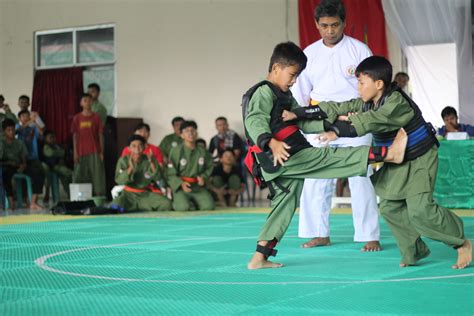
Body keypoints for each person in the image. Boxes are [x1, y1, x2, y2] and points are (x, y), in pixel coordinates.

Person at [288, 55, 471, 270]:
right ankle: (414, 249)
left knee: (421, 210)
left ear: (378, 84)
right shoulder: (368, 102)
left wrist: (335, 130)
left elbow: (365, 123)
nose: (358, 87)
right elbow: (337, 107)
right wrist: (298, 113)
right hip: (398, 160)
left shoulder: (395, 103)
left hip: (421, 157)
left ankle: (462, 243)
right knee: (389, 207)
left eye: (361, 82)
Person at [244, 42, 408, 270]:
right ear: (276, 68)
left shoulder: (283, 94)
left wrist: (332, 122)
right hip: (285, 155)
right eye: (291, 75)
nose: (293, 81)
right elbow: (254, 120)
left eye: (297, 76)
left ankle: (259, 257)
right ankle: (388, 154)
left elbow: (301, 121)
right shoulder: (263, 91)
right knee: (330, 158)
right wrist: (270, 142)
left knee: (284, 204)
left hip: (286, 155)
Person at [291, 0, 380, 251]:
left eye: (335, 25)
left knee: (361, 176)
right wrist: (304, 123)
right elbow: (300, 94)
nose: (330, 31)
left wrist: (361, 116)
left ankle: (368, 234)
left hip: (354, 120)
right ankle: (318, 233)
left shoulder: (360, 50)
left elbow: (371, 88)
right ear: (317, 25)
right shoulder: (308, 54)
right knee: (316, 177)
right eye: (324, 26)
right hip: (319, 120)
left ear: (344, 23)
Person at [112, 135, 172, 212]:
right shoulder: (123, 160)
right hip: (128, 195)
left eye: (140, 146)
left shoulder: (149, 159)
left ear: (144, 147)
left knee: (167, 204)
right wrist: (130, 168)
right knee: (115, 205)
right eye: (133, 146)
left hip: (145, 194)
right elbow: (119, 180)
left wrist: (152, 163)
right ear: (129, 148)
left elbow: (159, 179)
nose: (137, 149)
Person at [166, 120, 215, 211]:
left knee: (209, 207)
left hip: (197, 186)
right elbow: (170, 173)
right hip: (182, 186)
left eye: (193, 130)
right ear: (181, 135)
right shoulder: (176, 151)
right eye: (187, 131)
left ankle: (194, 202)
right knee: (182, 208)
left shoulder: (203, 151)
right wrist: (180, 184)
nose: (190, 133)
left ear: (197, 133)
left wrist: (203, 177)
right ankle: (185, 201)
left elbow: (209, 167)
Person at [1, 118, 45, 210]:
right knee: (5, 175)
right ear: (4, 131)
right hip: (7, 165)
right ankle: (11, 200)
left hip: (19, 165)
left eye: (13, 129)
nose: (11, 132)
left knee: (38, 172)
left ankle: (33, 202)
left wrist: (23, 164)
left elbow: (24, 156)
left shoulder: (19, 142)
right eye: (8, 130)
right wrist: (9, 163)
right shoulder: (1, 143)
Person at [71, 93, 106, 196]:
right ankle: (80, 197)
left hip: (95, 150)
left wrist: (101, 151)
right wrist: (75, 153)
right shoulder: (77, 118)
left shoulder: (96, 117)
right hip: (81, 151)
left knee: (97, 175)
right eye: (85, 100)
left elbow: (100, 135)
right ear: (81, 103)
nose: (87, 102)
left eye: (89, 100)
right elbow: (75, 136)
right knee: (79, 175)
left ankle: (98, 197)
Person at [16, 110, 46, 210]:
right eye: (23, 116)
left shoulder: (32, 127)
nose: (25, 117)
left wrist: (36, 120)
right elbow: (19, 130)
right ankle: (29, 201)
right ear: (19, 119)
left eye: (27, 116)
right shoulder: (17, 127)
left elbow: (42, 131)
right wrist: (30, 121)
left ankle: (33, 202)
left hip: (34, 159)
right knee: (35, 174)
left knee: (41, 173)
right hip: (22, 160)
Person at [42, 130, 73, 196]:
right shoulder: (46, 147)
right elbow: (51, 153)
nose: (52, 139)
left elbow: (63, 152)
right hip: (53, 166)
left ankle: (71, 194)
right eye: (50, 138)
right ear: (45, 139)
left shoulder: (56, 146)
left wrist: (61, 153)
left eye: (53, 137)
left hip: (60, 165)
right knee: (68, 173)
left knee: (65, 178)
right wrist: (61, 153)